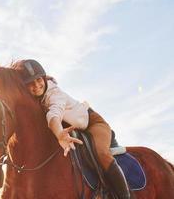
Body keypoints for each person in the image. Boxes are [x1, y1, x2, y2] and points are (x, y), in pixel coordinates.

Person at [12, 59, 131, 199]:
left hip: (92, 123)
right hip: (71, 128)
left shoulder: (53, 93)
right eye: (30, 83)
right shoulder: (32, 99)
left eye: (38, 80)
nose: (37, 85)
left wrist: (59, 134)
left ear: (43, 78)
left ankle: (124, 195)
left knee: (101, 152)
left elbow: (54, 115)